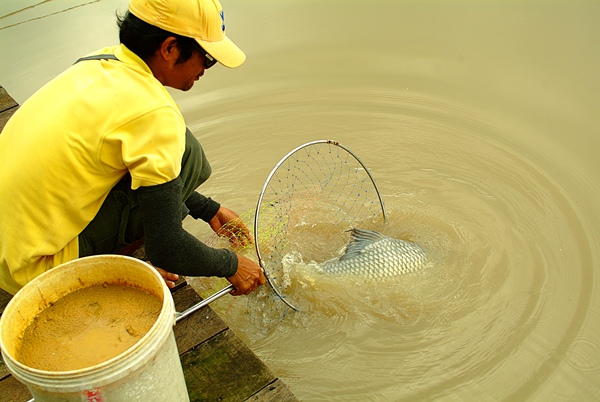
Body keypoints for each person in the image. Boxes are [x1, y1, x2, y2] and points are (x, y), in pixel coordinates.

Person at [0, 0, 266, 295]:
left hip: (9, 247)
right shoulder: (154, 114)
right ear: (170, 48)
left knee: (170, 154)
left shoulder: (101, 61)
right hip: (35, 272)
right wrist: (232, 265)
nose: (206, 69)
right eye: (207, 58)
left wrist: (208, 210)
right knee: (187, 155)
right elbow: (167, 247)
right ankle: (106, 269)